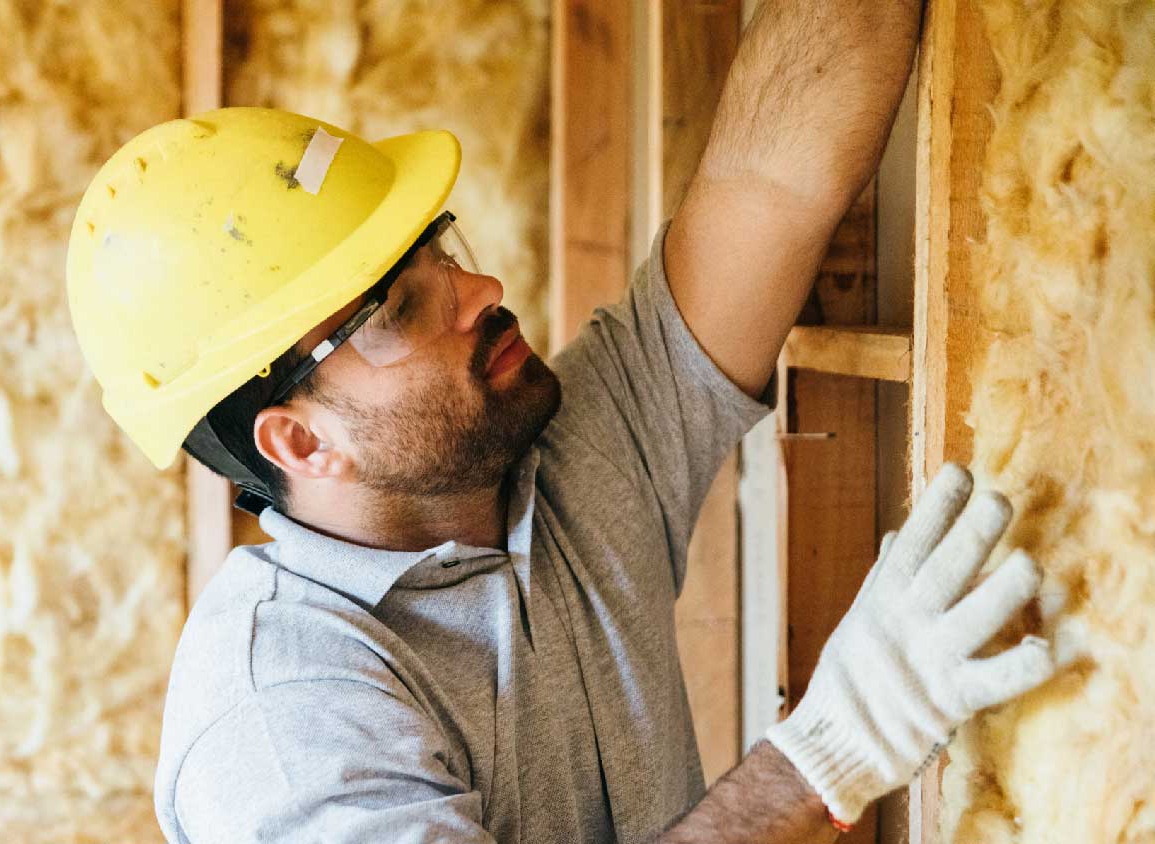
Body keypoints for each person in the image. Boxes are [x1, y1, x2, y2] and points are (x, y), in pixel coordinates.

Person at [65, 2, 1055, 841]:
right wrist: (832, 751)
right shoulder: (282, 713)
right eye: (402, 308)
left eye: (438, 253)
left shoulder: (559, 464)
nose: (481, 289)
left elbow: (770, 184)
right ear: (302, 441)